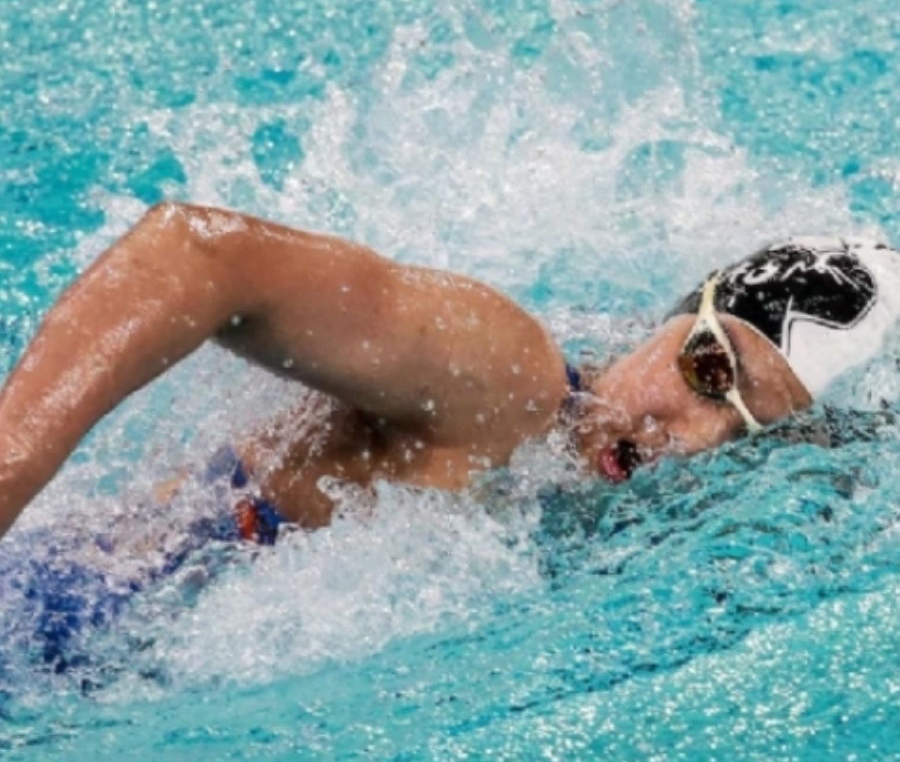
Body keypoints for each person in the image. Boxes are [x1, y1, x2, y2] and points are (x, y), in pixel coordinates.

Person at [0, 202, 898, 545]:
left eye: (749, 436)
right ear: (681, 313)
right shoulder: (511, 378)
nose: (692, 438)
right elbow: (201, 255)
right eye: (709, 369)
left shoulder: (592, 526)